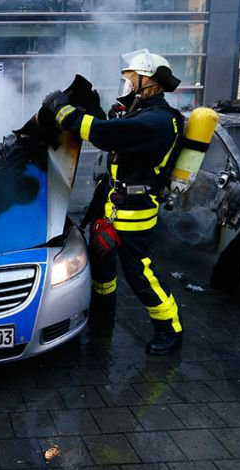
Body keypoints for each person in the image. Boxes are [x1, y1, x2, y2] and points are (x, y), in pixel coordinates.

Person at [39, 49, 185, 355]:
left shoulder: (157, 121)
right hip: (112, 208)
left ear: (148, 82)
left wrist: (62, 111)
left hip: (135, 214)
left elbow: (102, 134)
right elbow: (116, 136)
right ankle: (102, 322)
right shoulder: (140, 116)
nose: (126, 85)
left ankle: (170, 330)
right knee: (103, 271)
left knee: (139, 273)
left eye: (131, 80)